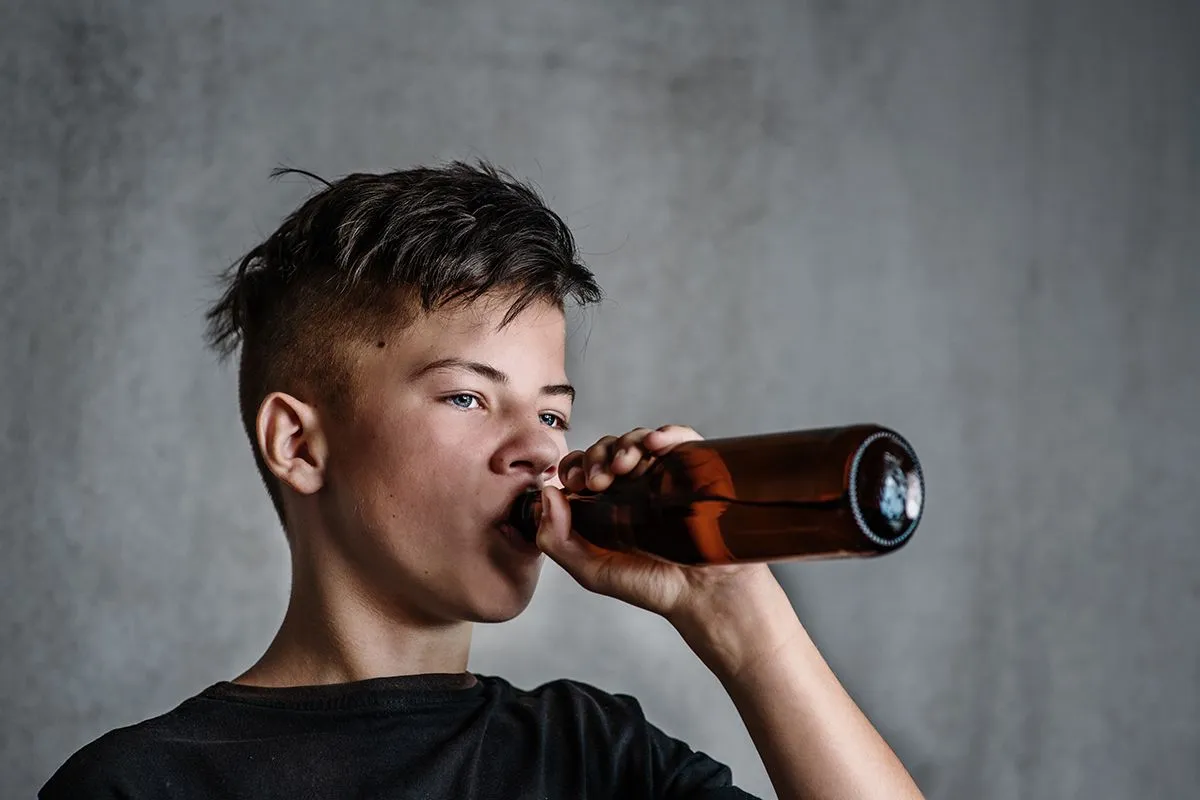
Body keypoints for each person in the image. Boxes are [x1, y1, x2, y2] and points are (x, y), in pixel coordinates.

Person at [40, 161, 924, 799]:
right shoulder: (140, 784)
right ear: (298, 445)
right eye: (468, 397)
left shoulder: (595, 759)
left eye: (552, 414)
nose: (538, 452)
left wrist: (742, 623)